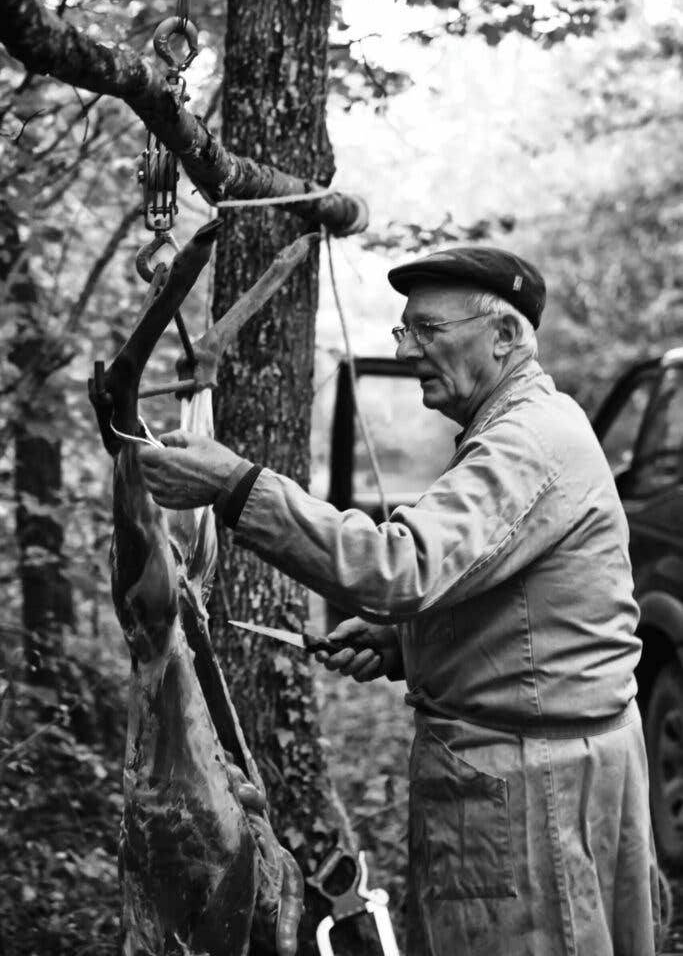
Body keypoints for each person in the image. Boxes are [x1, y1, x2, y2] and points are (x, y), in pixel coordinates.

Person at [140, 246, 661, 956]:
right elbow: (520, 597)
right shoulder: (531, 425)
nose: (409, 348)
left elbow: (398, 565)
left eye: (428, 330)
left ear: (503, 337)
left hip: (530, 783)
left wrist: (236, 487)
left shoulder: (525, 442)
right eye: (402, 331)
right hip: (555, 760)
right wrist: (404, 644)